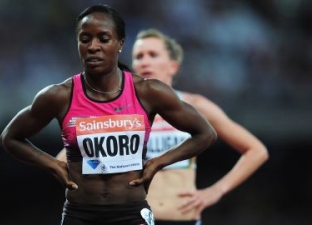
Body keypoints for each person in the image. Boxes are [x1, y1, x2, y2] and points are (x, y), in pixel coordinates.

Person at [0, 5, 217, 225]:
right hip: (79, 213)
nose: (93, 47)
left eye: (103, 39)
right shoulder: (59, 96)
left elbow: (205, 133)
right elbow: (10, 137)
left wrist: (157, 163)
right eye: (85, 39)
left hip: (131, 213)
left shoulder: (148, 92)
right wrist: (52, 164)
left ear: (120, 43)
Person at [57, 28, 269, 225]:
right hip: (131, 217)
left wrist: (216, 191)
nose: (144, 62)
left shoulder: (195, 106)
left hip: (182, 216)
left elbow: (256, 151)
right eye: (139, 56)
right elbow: (64, 159)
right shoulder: (116, 110)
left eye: (153, 54)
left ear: (173, 66)